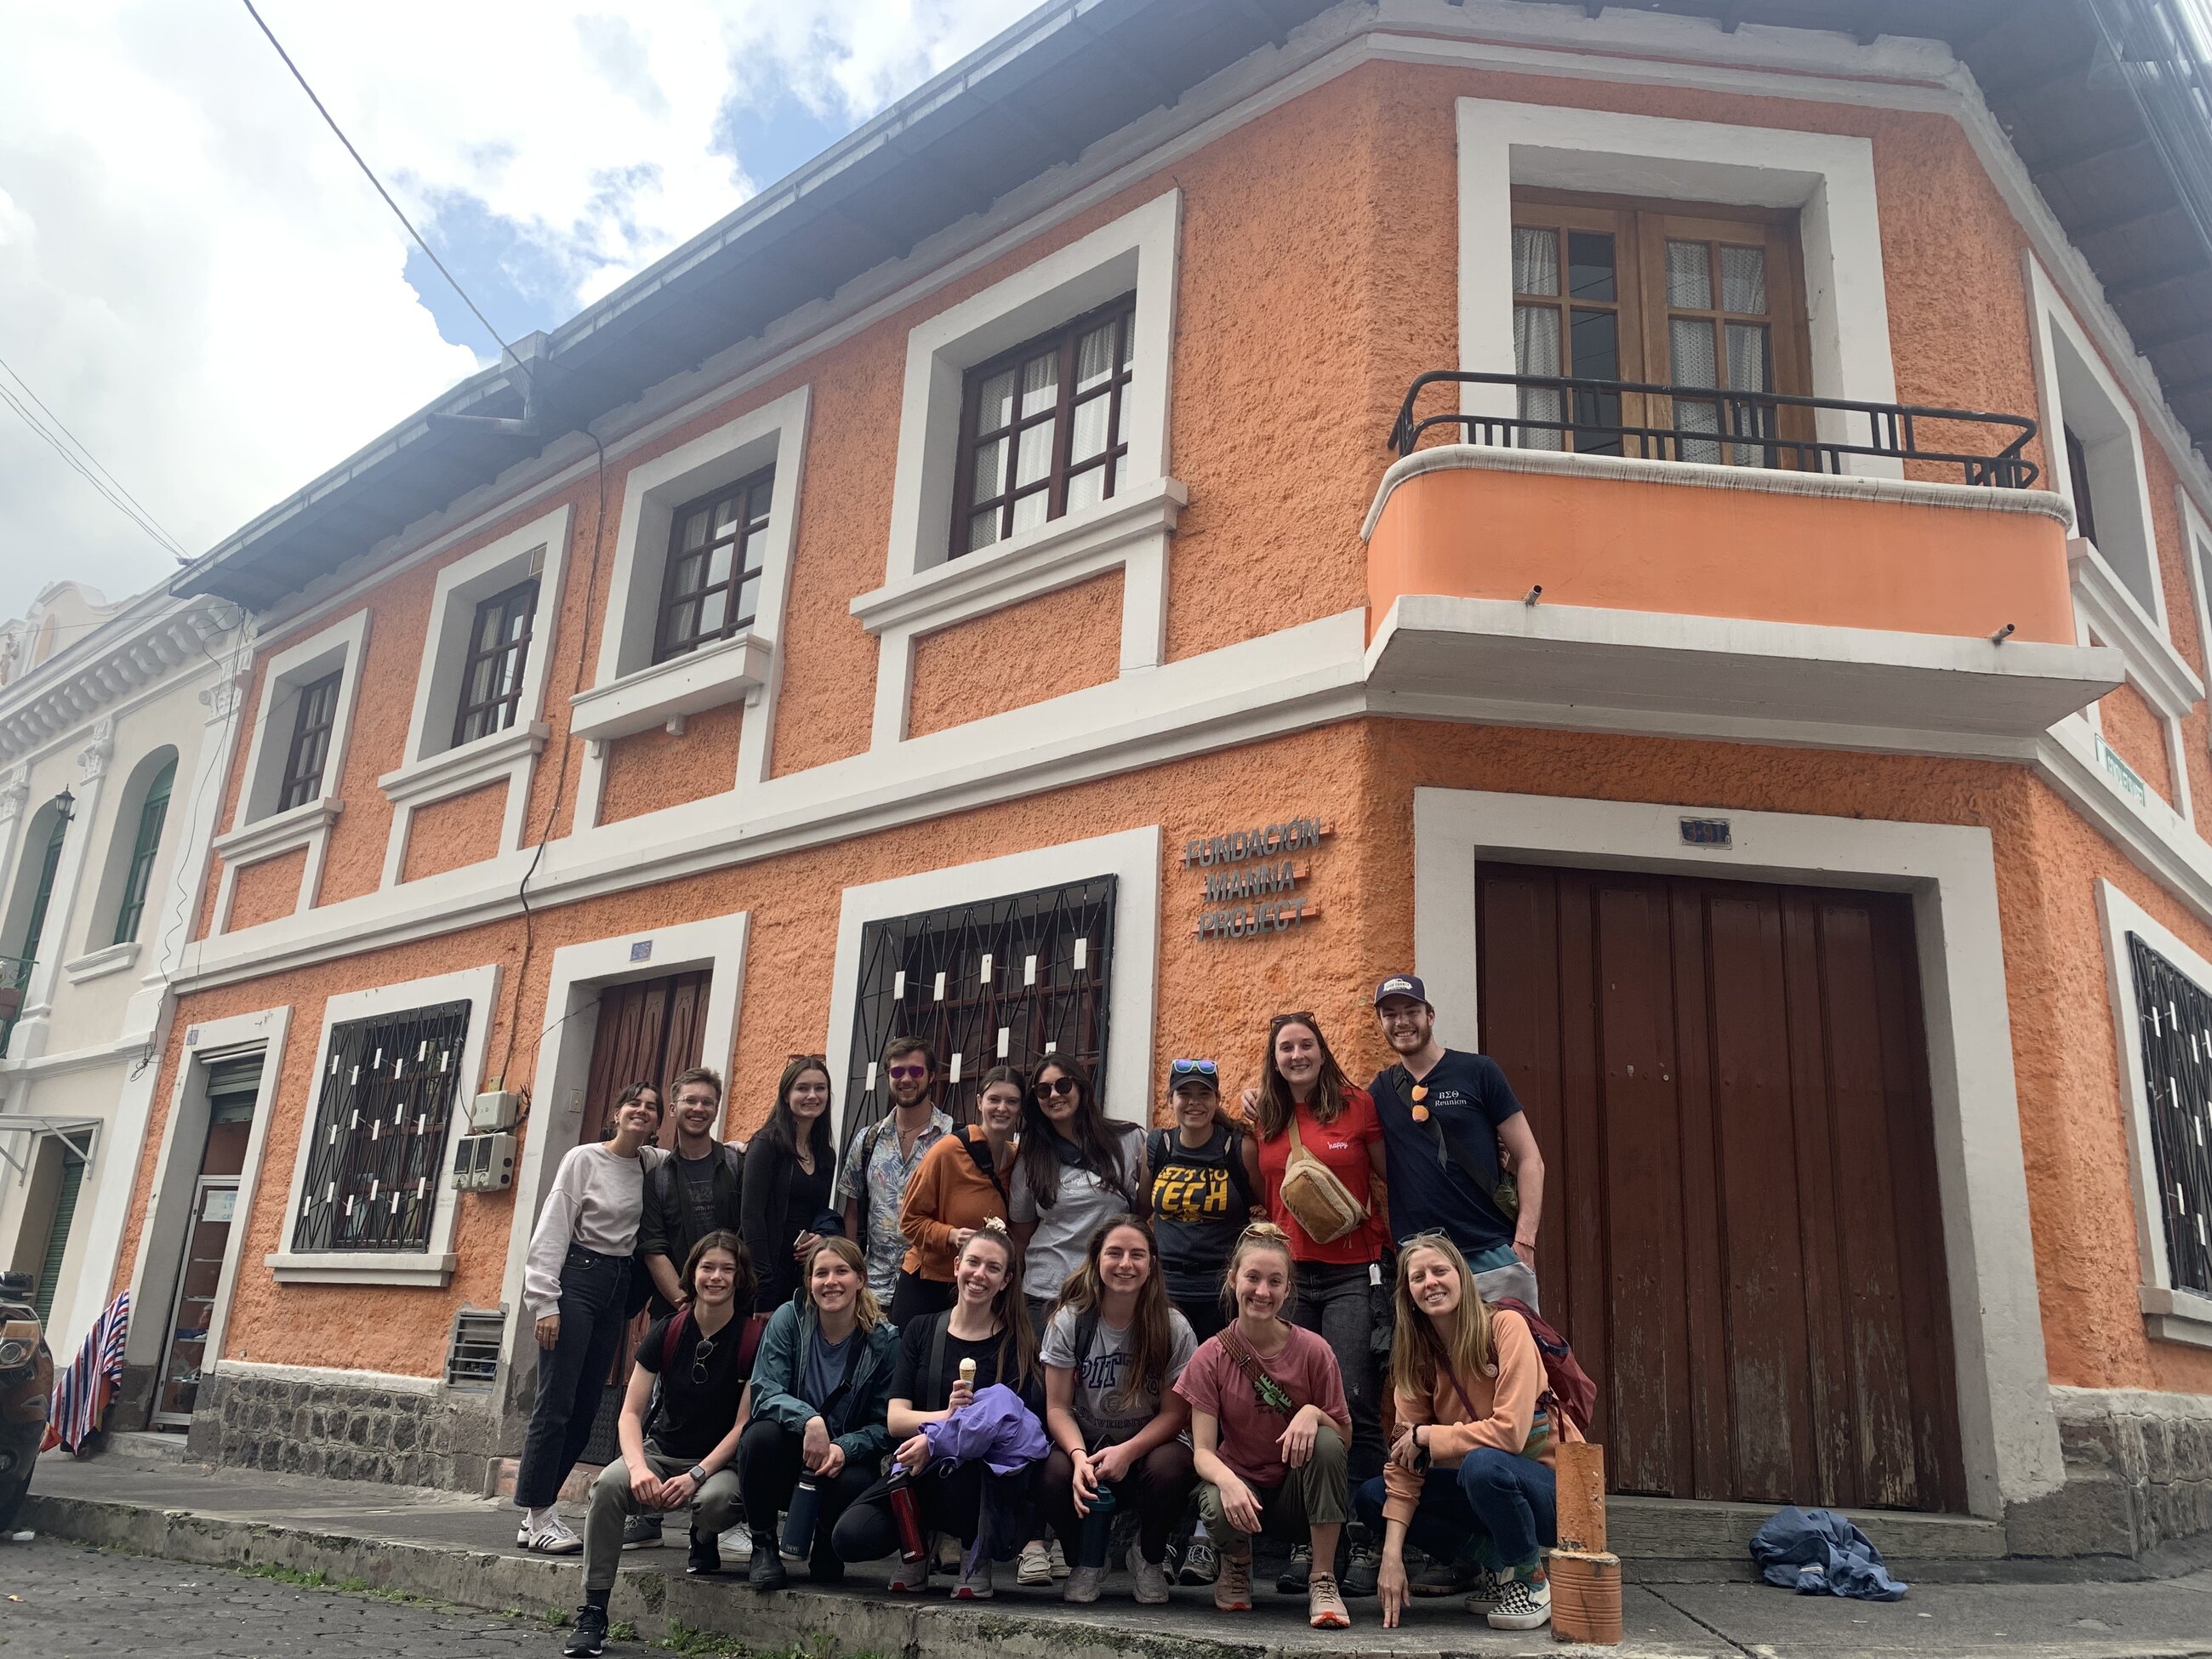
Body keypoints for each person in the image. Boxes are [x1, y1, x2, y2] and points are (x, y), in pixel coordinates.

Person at [1360, 1233, 1572, 1633]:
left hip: (1549, 1492)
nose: (1431, 1283)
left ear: (1461, 1275)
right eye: (1418, 1277)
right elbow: (1406, 1464)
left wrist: (1428, 1436)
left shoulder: (1505, 1327)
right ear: (1407, 1292)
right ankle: (1499, 1562)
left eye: (1440, 1271)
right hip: (1483, 1486)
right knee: (1374, 1498)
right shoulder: (1414, 1356)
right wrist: (1392, 1556)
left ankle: (1531, 1577)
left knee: (1483, 1464)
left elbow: (1510, 1434)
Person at [562, 1231, 759, 1657]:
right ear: (693, 1274)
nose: (717, 1277)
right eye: (708, 1267)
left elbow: (744, 1426)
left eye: (727, 1269)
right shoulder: (667, 1331)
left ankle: (703, 1537)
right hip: (662, 1449)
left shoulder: (751, 1339)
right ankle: (593, 1609)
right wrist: (637, 1468)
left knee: (717, 1502)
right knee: (608, 1488)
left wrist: (698, 1474)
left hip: (716, 1463)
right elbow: (630, 1413)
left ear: (740, 1278)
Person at [1246, 1012, 1386, 1596]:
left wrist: (1394, 1258)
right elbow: (1268, 1197)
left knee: (1350, 1398)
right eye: (1286, 1048)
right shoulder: (1268, 1118)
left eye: (1306, 1044)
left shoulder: (1358, 1106)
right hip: (1291, 1276)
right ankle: (1310, 1539)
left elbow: (1385, 1181)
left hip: (1354, 1269)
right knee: (1294, 1402)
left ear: (1322, 1051)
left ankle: (1363, 1539)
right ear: (1274, 1059)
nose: (1297, 1055)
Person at [832, 1219, 1043, 1599]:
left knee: (963, 1469)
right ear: (956, 1265)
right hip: (917, 1467)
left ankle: (972, 1552)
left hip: (980, 1480)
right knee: (851, 1536)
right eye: (974, 1263)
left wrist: (940, 1439)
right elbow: (897, 1419)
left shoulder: (1017, 1341)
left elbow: (1009, 1429)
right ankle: (918, 1543)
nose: (980, 1275)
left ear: (1007, 1280)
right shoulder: (921, 1329)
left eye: (993, 1268)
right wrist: (945, 1417)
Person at [1176, 1223, 1354, 1631]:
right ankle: (1237, 1564)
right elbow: (1202, 1451)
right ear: (1233, 1279)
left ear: (1288, 1290)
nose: (1262, 1291)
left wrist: (1313, 1412)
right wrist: (1229, 1481)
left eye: (1275, 1282)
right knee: (1216, 1494)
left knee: (1325, 1442)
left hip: (1297, 1494)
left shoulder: (1314, 1351)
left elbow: (1344, 1439)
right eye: (1252, 1278)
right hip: (1242, 1493)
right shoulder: (1211, 1355)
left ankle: (1323, 1578)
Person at [516, 1082, 668, 1555]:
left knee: (585, 1411)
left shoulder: (651, 1163)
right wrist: (545, 1302)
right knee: (556, 1403)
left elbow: (711, 1149)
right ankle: (539, 1512)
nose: (642, 1111)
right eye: (634, 1104)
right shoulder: (583, 1159)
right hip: (576, 1280)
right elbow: (554, 1225)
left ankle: (534, 1514)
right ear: (616, 1112)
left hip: (616, 1286)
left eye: (651, 1108)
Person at [1009, 1057, 1143, 1584]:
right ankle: (1036, 1539)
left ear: (1083, 1088)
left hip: (1110, 1292)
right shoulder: (1032, 1157)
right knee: (1042, 1411)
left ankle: (1087, 1530)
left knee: (1103, 1406)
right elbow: (1022, 1233)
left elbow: (1140, 1210)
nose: (1054, 1095)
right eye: (1042, 1091)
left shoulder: (1128, 1140)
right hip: (1045, 1296)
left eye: (1063, 1085)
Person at [1036, 1217, 1198, 1605]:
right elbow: (1057, 1408)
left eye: (1137, 1255)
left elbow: (1177, 1415)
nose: (1126, 1264)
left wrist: (1128, 1452)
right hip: (1089, 1446)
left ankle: (1149, 1556)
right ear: (1096, 1259)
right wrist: (1078, 1458)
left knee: (1174, 1464)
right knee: (1052, 1471)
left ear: (1152, 1263)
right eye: (1115, 1253)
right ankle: (1085, 1561)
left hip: (1144, 1452)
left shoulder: (1173, 1326)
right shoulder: (1069, 1320)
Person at [1367, 975, 1544, 1311]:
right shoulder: (1380, 1091)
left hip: (1491, 1253)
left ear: (1430, 1016)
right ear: (1381, 1023)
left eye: (1411, 1010)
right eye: (1390, 1014)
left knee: (1509, 1359)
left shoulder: (1478, 1071)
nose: (1401, 1022)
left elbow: (1530, 1158)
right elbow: (1332, 1116)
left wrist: (1524, 1242)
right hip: (1423, 1265)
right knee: (1436, 1365)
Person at [734, 1234, 897, 1589]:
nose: (831, 1282)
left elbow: (885, 1425)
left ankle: (826, 1542)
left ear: (861, 1279)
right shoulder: (788, 1319)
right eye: (821, 1273)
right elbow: (765, 1391)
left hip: (842, 1457)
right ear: (809, 1282)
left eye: (842, 1271)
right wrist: (809, 1419)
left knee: (858, 1478)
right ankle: (763, 1545)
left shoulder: (885, 1341)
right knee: (759, 1437)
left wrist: (846, 1447)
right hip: (790, 1448)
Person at [629, 1066, 745, 1550]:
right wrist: (685, 1302)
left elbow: (746, 1235)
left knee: (727, 1407)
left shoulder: (737, 1166)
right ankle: (646, 1515)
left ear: (717, 1108)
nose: (699, 1109)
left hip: (731, 1312)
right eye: (689, 1101)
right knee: (660, 1407)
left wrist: (722, 1298)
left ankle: (719, 1518)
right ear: (673, 1108)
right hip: (675, 1311)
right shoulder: (657, 1177)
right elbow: (653, 1246)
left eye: (707, 1102)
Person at [894, 1066, 1022, 1325]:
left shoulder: (1018, 1160)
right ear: (979, 1103)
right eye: (994, 1099)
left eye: (1012, 1101)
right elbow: (909, 1220)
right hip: (930, 1285)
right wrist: (951, 1235)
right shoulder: (948, 1151)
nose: (1002, 1108)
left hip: (982, 1288)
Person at [1146, 1059, 1259, 1344]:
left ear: (1217, 1099)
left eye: (1204, 1094)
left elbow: (1268, 1203)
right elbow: (1139, 1211)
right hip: (1165, 1291)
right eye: (1184, 1093)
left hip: (1221, 1293)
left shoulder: (1238, 1148)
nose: (1194, 1102)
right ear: (1170, 1099)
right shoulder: (1158, 1145)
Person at [838, 1037, 953, 1306]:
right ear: (888, 1076)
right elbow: (852, 1212)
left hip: (930, 1287)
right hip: (873, 1289)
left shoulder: (952, 1139)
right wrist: (852, 1269)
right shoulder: (868, 1140)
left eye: (915, 1071)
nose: (906, 1079)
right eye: (897, 1072)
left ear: (931, 1075)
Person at [742, 1056, 839, 1314]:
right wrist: (763, 1290)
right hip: (765, 1277)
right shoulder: (766, 1144)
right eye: (802, 1088)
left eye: (820, 1088)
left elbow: (819, 1213)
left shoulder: (826, 1155)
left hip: (803, 1277)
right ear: (786, 1095)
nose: (812, 1095)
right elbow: (751, 1218)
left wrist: (822, 1237)